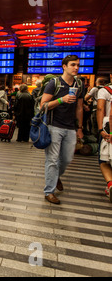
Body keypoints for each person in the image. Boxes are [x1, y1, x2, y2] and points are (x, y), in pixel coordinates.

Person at [40, 55, 85, 204]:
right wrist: (61, 100)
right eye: (73, 65)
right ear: (64, 66)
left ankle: (56, 176)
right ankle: (49, 192)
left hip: (70, 128)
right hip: (54, 126)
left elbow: (79, 107)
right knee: (52, 160)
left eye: (78, 65)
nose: (76, 68)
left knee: (66, 159)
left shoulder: (79, 84)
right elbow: (43, 105)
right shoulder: (54, 83)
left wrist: (79, 127)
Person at [95, 75, 112, 199]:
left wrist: (100, 129)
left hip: (108, 128)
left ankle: (110, 184)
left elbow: (100, 108)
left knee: (104, 159)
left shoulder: (105, 90)